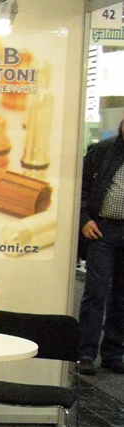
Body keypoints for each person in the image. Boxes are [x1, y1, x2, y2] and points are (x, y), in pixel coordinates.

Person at [78, 121, 124, 375]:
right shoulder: (103, 150)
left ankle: (113, 353)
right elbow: (80, 188)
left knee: (122, 297)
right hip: (102, 230)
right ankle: (86, 353)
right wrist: (84, 219)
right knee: (96, 293)